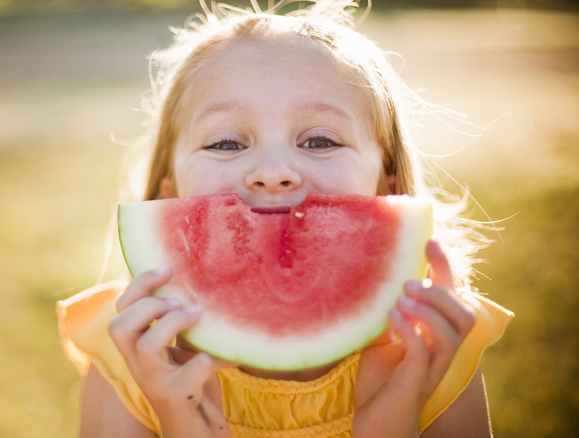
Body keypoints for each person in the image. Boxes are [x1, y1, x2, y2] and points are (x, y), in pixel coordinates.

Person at [57, 1, 513, 437]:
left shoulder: (430, 350)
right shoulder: (133, 359)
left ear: (387, 186)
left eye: (318, 141)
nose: (273, 173)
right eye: (226, 143)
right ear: (170, 192)